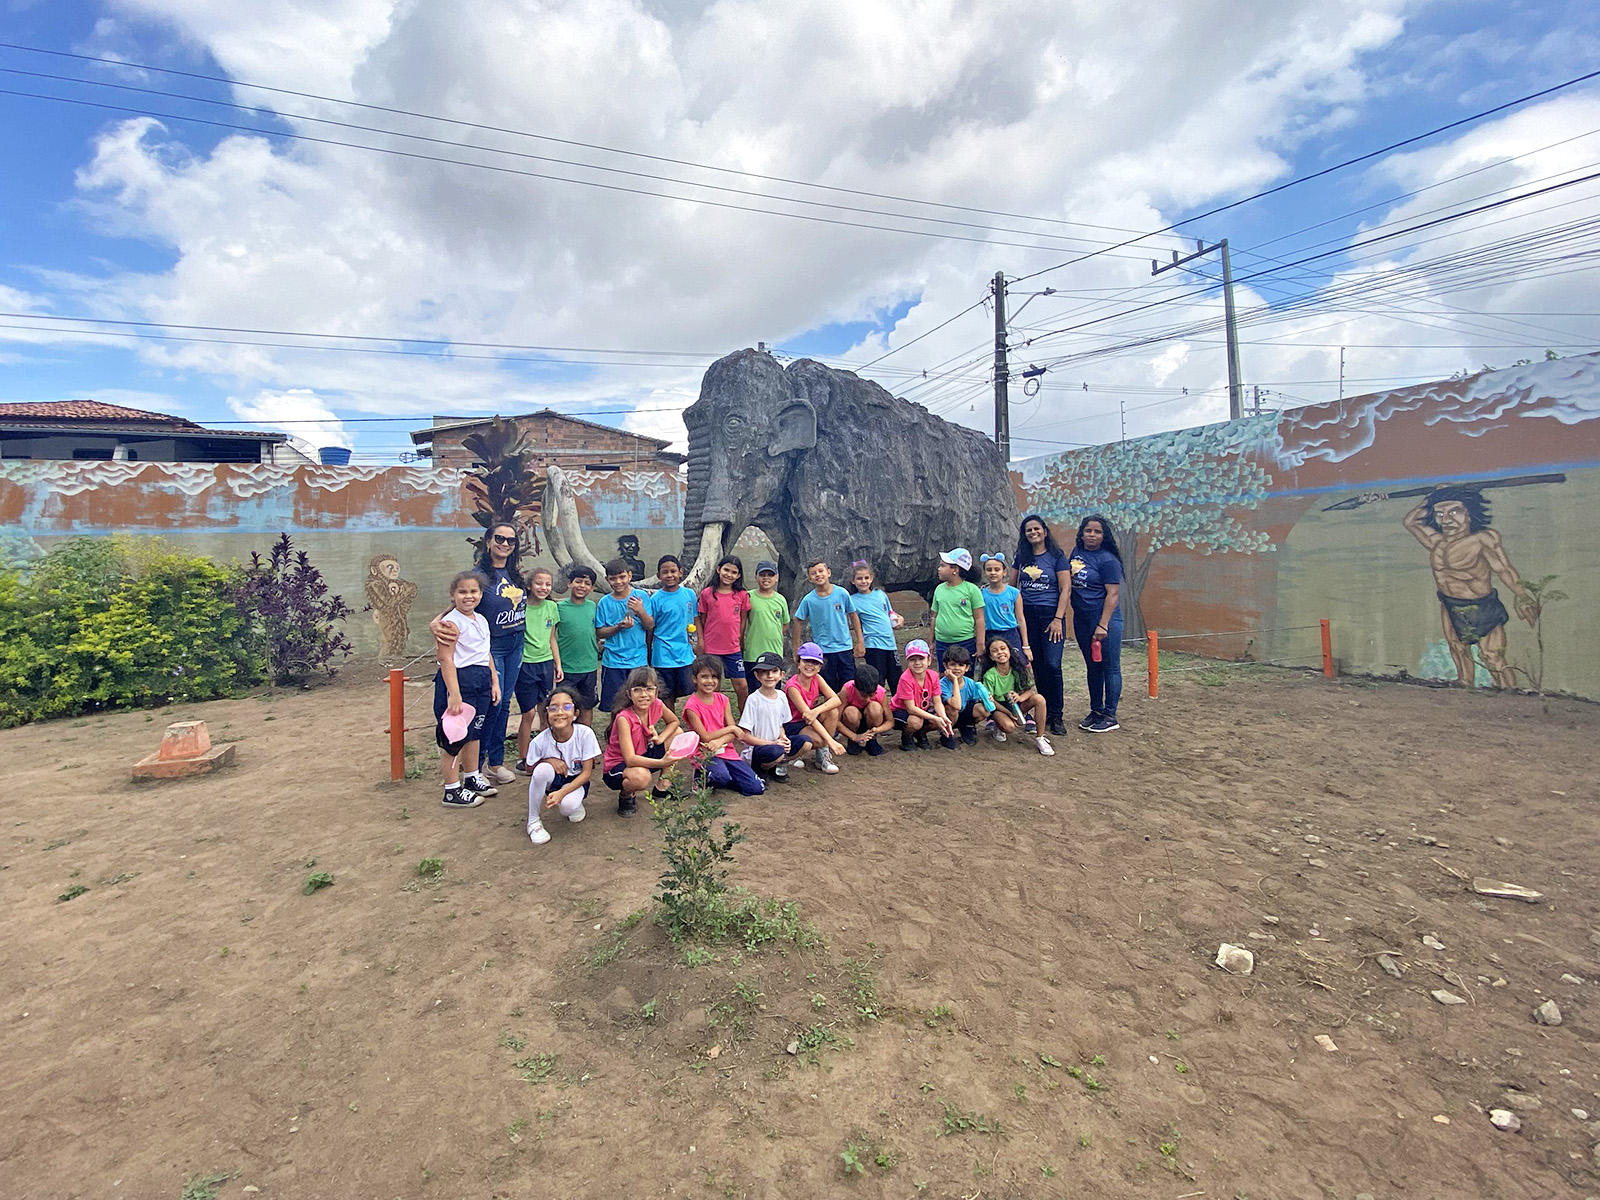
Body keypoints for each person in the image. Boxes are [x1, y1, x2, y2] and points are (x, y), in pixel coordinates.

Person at [1402, 486, 1533, 688]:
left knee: (1491, 656)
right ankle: (1465, 685)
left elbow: (1504, 569)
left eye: (1454, 512)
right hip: (1450, 604)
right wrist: (1432, 497)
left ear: (1469, 513)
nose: (1446, 519)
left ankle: (1511, 692)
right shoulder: (1437, 543)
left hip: (1482, 605)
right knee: (1458, 648)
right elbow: (1410, 522)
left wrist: (1522, 596)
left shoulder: (1482, 540)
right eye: (1440, 514)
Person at [432, 522, 524, 785]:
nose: (505, 544)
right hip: (491, 646)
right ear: (488, 541)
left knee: (503, 704)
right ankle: (476, 767)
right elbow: (459, 603)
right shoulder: (478, 575)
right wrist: (436, 621)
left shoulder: (515, 573)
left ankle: (495, 763)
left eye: (511, 540)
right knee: (491, 706)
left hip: (516, 643)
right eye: (499, 538)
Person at [432, 570, 500, 808]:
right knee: (454, 734)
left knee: (475, 730)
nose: (468, 596)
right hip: (460, 680)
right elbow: (446, 658)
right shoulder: (451, 623)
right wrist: (454, 693)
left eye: (473, 591)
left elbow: (485, 653)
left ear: (481, 594)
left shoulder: (481, 620)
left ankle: (472, 776)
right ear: (453, 594)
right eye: (462, 592)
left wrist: (494, 680)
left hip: (481, 679)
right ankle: (451, 789)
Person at [1013, 514, 1074, 736]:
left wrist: (1058, 619)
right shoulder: (1021, 556)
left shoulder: (1057, 556)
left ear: (1045, 532)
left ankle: (1057, 716)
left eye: (1036, 529)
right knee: (1037, 666)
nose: (1033, 533)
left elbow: (1066, 589)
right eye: (1028, 530)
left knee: (1052, 665)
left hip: (1051, 616)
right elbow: (1012, 586)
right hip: (1028, 616)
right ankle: (1044, 712)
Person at [1069, 514, 1125, 733]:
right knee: (1093, 666)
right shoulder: (1077, 553)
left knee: (1110, 667)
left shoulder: (1108, 560)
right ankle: (1096, 710)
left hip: (1105, 620)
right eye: (1088, 531)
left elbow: (1113, 594)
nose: (1092, 535)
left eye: (1097, 532)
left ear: (1104, 536)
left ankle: (1110, 715)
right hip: (1082, 620)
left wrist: (1102, 625)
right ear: (1081, 533)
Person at [524, 685, 601, 846]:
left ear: (576, 713)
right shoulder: (540, 740)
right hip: (553, 781)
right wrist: (548, 761)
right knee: (541, 770)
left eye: (567, 707)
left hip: (576, 780)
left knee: (568, 807)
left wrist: (562, 793)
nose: (560, 712)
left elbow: (587, 773)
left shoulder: (585, 734)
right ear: (547, 714)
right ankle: (533, 821)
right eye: (553, 708)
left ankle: (575, 803)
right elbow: (529, 768)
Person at [680, 656, 766, 796]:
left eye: (714, 676)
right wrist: (731, 728)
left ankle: (725, 777)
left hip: (726, 751)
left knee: (756, 788)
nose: (710, 681)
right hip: (705, 753)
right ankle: (700, 777)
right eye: (704, 677)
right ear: (695, 679)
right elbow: (705, 736)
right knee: (720, 776)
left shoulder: (723, 700)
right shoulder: (692, 706)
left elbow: (734, 734)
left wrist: (721, 740)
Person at [600, 667, 680, 816]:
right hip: (619, 766)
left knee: (678, 735)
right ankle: (626, 795)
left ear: (656, 692)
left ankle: (663, 787)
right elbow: (630, 759)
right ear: (629, 694)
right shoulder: (624, 718)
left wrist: (660, 738)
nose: (644, 694)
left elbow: (674, 722)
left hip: (643, 753)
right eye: (637, 690)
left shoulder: (657, 704)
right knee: (641, 777)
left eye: (649, 689)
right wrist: (662, 762)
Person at [513, 567, 563, 771]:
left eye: (548, 584)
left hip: (546, 664)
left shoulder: (552, 607)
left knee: (546, 711)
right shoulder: (520, 607)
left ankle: (544, 754)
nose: (543, 588)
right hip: (526, 665)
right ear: (529, 585)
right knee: (528, 713)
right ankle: (524, 758)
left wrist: (558, 664)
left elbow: (552, 638)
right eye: (539, 583)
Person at [792, 559, 862, 693]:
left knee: (849, 687)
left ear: (828, 572)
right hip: (823, 651)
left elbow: (853, 615)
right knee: (828, 688)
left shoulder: (842, 593)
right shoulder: (808, 600)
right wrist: (796, 649)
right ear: (810, 578)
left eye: (821, 571)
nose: (818, 575)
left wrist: (860, 641)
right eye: (813, 573)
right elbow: (798, 620)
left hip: (844, 648)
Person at [595, 558, 654, 713]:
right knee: (615, 704)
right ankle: (616, 728)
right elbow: (599, 631)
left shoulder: (641, 597)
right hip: (613, 661)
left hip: (638, 660)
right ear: (607, 579)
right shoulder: (604, 602)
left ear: (629, 575)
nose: (618, 582)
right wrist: (618, 627)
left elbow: (649, 625)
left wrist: (640, 610)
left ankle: (639, 728)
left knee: (640, 702)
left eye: (622, 577)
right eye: (613, 578)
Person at [982, 635, 1054, 755]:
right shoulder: (989, 676)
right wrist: (1008, 713)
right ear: (991, 657)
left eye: (1003, 648)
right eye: (995, 651)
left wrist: (1019, 697)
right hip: (999, 706)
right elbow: (990, 700)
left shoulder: (1017, 669)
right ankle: (998, 726)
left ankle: (1040, 738)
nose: (1000, 652)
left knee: (1039, 699)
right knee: (1009, 727)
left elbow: (1030, 691)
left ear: (1010, 651)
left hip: (1015, 704)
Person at [738, 651, 802, 782]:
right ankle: (760, 769)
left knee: (805, 742)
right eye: (764, 672)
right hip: (758, 748)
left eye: (774, 671)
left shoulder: (782, 696)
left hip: (776, 744)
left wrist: (783, 739)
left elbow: (780, 725)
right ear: (757, 675)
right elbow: (745, 735)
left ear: (781, 675)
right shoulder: (753, 699)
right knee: (776, 751)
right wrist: (773, 743)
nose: (769, 676)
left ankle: (775, 766)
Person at [698, 555, 753, 707]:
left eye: (734, 572)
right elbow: (703, 620)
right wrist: (701, 642)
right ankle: (714, 717)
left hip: (732, 648)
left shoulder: (742, 595)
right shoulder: (707, 593)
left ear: (739, 575)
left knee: (742, 686)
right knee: (713, 687)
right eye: (726, 570)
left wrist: (739, 640)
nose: (729, 575)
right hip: (711, 648)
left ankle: (744, 718)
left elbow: (742, 620)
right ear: (718, 570)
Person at [784, 642, 847, 773]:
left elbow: (836, 700)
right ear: (798, 662)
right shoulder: (792, 686)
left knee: (832, 711)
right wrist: (830, 741)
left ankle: (822, 755)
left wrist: (817, 710)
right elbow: (808, 716)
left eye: (815, 662)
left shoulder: (817, 678)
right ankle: (796, 753)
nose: (810, 665)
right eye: (806, 661)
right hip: (792, 724)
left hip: (807, 720)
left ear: (819, 667)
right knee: (820, 741)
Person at [647, 554, 698, 707]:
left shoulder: (689, 594)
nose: (670, 575)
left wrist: (698, 643)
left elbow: (695, 619)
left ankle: (693, 720)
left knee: (690, 691)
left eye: (673, 571)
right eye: (665, 572)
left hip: (685, 654)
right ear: (658, 576)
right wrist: (648, 651)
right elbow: (650, 628)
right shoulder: (655, 599)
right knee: (666, 695)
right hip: (663, 656)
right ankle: (672, 721)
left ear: (680, 572)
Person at [554, 565, 600, 725]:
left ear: (592, 588)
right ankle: (566, 736)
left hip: (589, 666)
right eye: (578, 581)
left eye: (587, 583)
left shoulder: (593, 607)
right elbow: (551, 636)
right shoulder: (559, 608)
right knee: (565, 705)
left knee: (587, 706)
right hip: (567, 668)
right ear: (569, 583)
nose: (582, 586)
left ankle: (585, 738)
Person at [847, 560, 902, 693]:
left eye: (866, 578)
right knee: (878, 681)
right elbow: (855, 623)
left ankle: (898, 706)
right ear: (853, 581)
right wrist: (860, 643)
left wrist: (899, 619)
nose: (863, 581)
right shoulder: (852, 600)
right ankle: (879, 705)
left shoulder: (880, 594)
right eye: (859, 578)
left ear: (871, 578)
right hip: (873, 644)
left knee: (897, 680)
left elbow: (890, 612)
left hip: (890, 643)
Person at [930, 548, 985, 670]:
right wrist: (931, 642)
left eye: (942, 566)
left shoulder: (972, 590)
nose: (939, 569)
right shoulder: (939, 589)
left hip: (965, 641)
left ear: (955, 570)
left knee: (965, 674)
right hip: (942, 642)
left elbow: (979, 618)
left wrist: (980, 643)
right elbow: (934, 616)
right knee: (945, 674)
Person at [891, 639, 951, 751]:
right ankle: (907, 736)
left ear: (929, 660)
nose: (917, 663)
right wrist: (935, 718)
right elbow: (911, 708)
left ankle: (920, 733)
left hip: (921, 708)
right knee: (916, 721)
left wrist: (943, 717)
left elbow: (937, 702)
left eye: (921, 658)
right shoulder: (905, 679)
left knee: (943, 716)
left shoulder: (933, 676)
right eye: (912, 659)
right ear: (908, 662)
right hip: (901, 710)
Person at [938, 645, 996, 748]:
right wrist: (955, 680)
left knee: (983, 709)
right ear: (945, 666)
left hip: (963, 712)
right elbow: (956, 705)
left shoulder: (970, 683)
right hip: (948, 716)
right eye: (952, 664)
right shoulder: (942, 684)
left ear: (967, 668)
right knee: (952, 709)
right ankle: (946, 734)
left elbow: (978, 699)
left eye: (961, 665)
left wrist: (987, 698)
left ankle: (967, 726)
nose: (957, 668)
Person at [743, 560, 790, 678]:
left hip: (775, 652)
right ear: (756, 577)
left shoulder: (780, 599)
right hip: (753, 653)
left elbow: (785, 624)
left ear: (777, 578)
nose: (766, 578)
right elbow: (741, 622)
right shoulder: (748, 596)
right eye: (762, 575)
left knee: (772, 684)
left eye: (770, 575)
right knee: (753, 686)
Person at [978, 552, 1028, 663]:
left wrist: (1026, 645)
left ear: (1004, 572)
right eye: (989, 570)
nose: (993, 573)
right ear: (984, 573)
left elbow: (1020, 619)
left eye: (997, 569)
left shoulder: (1014, 593)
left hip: (1010, 633)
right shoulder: (981, 594)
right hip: (990, 634)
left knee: (1017, 664)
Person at [837, 662, 891, 756]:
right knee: (851, 712)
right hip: (852, 724)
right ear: (855, 687)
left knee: (875, 707)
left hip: (871, 725)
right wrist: (854, 737)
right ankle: (852, 742)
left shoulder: (880, 692)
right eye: (863, 695)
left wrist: (877, 730)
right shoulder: (847, 690)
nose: (867, 699)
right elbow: (835, 720)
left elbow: (890, 721)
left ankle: (872, 741)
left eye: (871, 695)